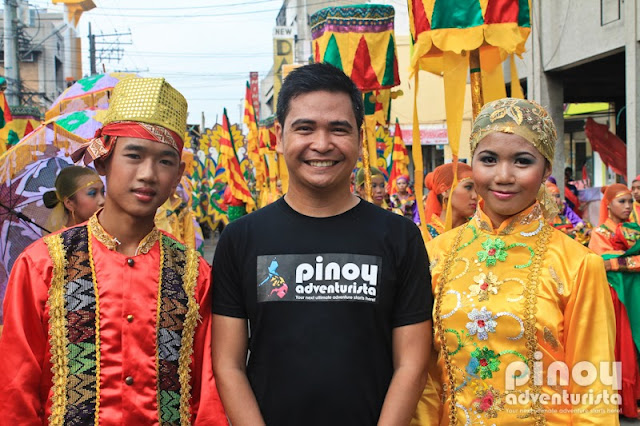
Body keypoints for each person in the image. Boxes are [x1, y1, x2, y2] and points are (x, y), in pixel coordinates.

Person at [211, 62, 432, 426]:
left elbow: (411, 364)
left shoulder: (400, 237)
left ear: (360, 138)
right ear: (280, 134)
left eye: (338, 129)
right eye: (305, 128)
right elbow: (228, 364)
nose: (322, 144)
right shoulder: (241, 238)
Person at [0, 77, 227, 425]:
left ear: (179, 174)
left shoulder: (194, 276)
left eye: (165, 161)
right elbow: (15, 389)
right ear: (103, 161)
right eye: (133, 156)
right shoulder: (42, 264)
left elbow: (209, 397)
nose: (148, 174)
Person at [414, 98, 617, 425]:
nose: (503, 176)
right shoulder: (435, 255)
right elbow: (424, 382)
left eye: (522, 161)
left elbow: (594, 390)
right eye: (489, 159)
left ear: (546, 169)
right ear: (472, 163)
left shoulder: (577, 264)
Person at [588, 184, 640, 418]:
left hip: (634, 296)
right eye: (622, 201)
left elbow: (615, 262)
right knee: (620, 346)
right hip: (614, 298)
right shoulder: (600, 233)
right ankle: (620, 400)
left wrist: (623, 263)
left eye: (630, 201)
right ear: (608, 204)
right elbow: (602, 263)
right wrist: (632, 262)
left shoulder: (635, 230)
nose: (628, 206)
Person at [423, 162, 477, 240]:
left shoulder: (480, 231)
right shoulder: (425, 236)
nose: (475, 196)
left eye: (477, 190)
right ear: (444, 191)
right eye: (468, 187)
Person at [42, 165, 105, 230]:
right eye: (92, 193)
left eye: (103, 192)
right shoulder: (61, 239)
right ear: (69, 203)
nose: (103, 201)